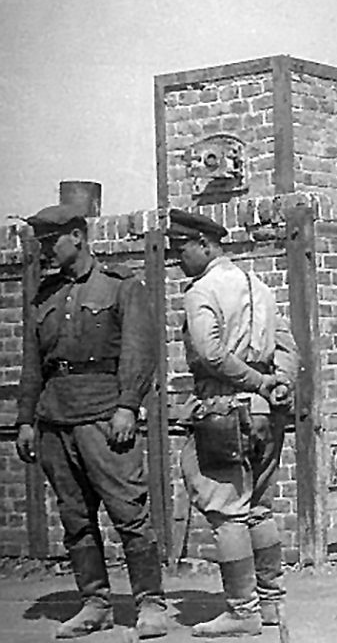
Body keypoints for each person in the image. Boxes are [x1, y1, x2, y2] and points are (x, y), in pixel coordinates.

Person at [15, 204, 170, 639]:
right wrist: (26, 418)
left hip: (104, 416)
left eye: (52, 241)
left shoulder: (120, 287)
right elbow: (32, 365)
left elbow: (140, 350)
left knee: (129, 512)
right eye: (42, 242)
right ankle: (95, 602)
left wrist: (127, 405)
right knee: (75, 519)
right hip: (55, 419)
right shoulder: (45, 296)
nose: (46, 249)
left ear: (79, 236)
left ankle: (150, 602)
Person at [165, 208, 298, 638]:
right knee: (259, 508)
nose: (176, 258)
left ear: (205, 244)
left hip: (224, 409)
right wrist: (277, 386)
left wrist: (258, 382)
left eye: (181, 248)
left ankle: (243, 610)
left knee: (227, 512)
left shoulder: (202, 290)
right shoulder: (260, 288)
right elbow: (287, 348)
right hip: (265, 412)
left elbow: (211, 355)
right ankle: (272, 605)